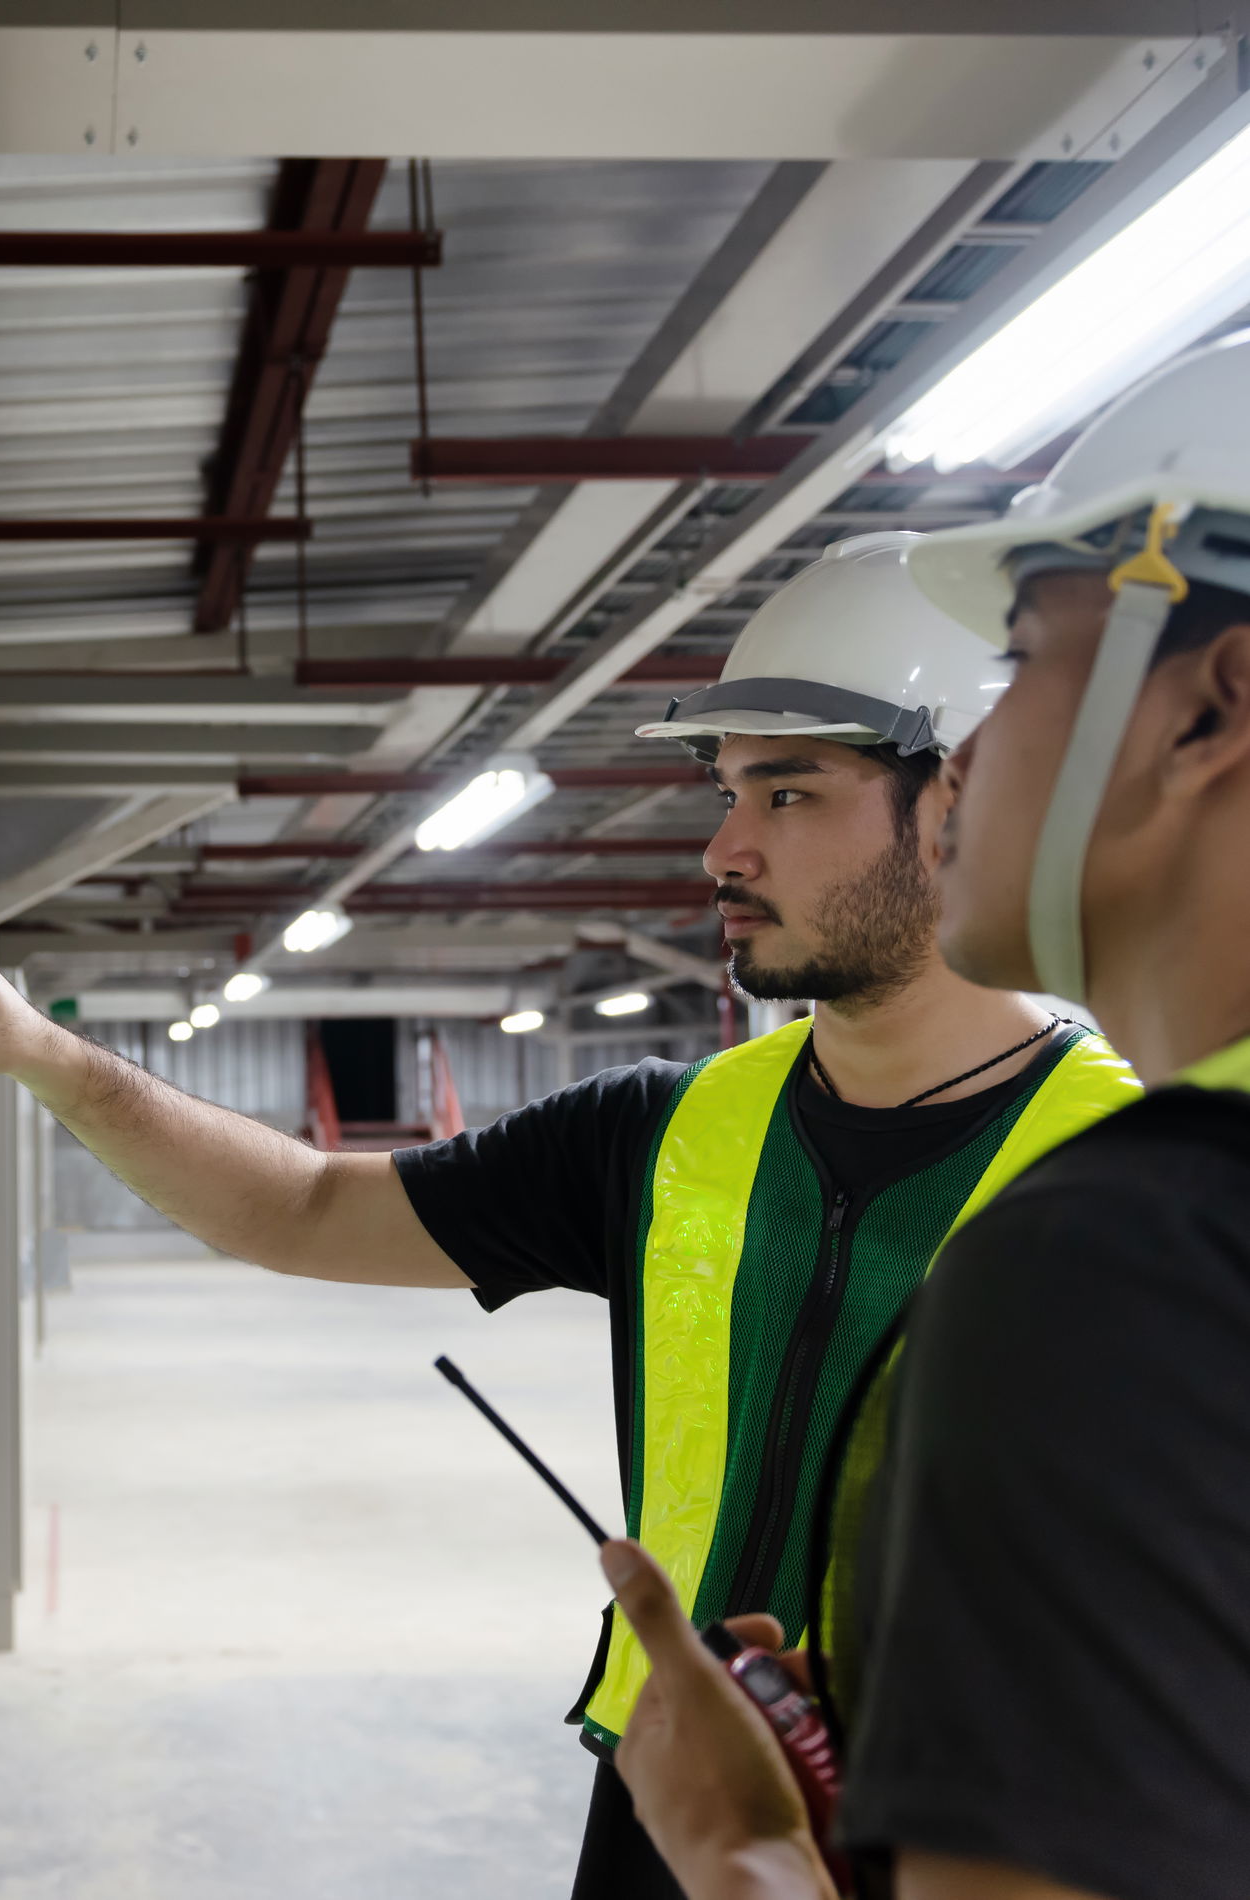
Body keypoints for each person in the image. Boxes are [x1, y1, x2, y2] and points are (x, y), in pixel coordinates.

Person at [0, 534, 1139, 1899]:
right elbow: (302, 1206)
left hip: (968, 1845)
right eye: (725, 789)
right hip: (671, 1797)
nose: (725, 845)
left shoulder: (1138, 1173)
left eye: (789, 790)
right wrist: (44, 1057)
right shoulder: (664, 1129)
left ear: (962, 796)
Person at [600, 330, 1250, 1900]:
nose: (979, 759)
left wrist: (746, 1853)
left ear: (1209, 711)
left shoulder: (1129, 1266)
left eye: (1024, 657)